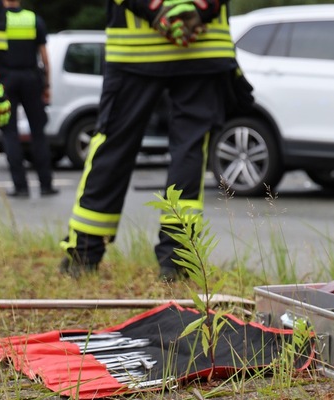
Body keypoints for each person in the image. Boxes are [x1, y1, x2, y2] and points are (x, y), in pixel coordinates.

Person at [58, 0, 249, 280]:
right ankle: (177, 261)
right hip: (201, 46)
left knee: (113, 146)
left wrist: (154, 8)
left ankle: (83, 254)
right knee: (190, 151)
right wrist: (199, 9)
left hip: (136, 50)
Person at [0, 0, 56, 197]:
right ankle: (46, 185)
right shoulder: (33, 19)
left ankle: (20, 187)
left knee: (10, 132)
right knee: (38, 132)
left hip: (5, 81)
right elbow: (44, 57)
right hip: (31, 79)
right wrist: (47, 85)